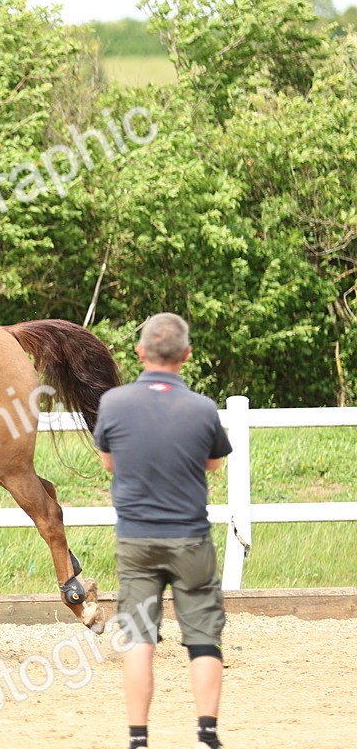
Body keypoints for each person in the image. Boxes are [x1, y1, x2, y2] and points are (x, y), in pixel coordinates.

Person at [93, 313, 232, 749]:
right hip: (190, 537)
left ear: (140, 352)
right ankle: (207, 734)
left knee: (138, 637)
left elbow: (108, 463)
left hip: (136, 538)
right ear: (186, 356)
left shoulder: (113, 403)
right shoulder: (203, 408)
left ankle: (138, 738)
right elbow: (214, 464)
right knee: (204, 636)